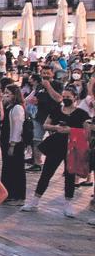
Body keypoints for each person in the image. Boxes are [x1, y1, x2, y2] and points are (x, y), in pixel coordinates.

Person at [21, 86, 89, 217]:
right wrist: (56, 127)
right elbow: (46, 125)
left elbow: (87, 130)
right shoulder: (57, 110)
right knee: (47, 173)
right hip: (56, 145)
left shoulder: (81, 113)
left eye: (68, 97)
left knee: (70, 176)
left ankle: (68, 204)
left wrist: (70, 130)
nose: (66, 99)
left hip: (72, 147)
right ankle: (35, 201)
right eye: (64, 97)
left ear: (75, 97)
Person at [0, 84, 27, 204]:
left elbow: (17, 127)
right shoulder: (8, 106)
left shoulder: (17, 108)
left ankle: (18, 196)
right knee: (8, 168)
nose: (5, 95)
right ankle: (8, 193)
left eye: (8, 93)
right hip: (6, 141)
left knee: (16, 169)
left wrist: (13, 144)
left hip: (14, 143)